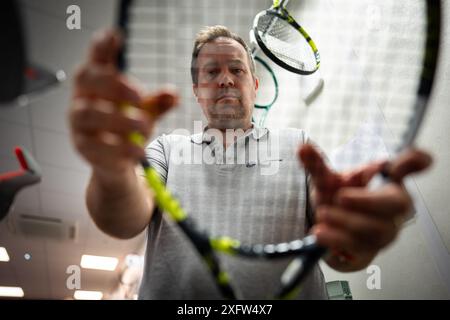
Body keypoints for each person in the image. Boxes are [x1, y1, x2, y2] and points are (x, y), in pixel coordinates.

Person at [69, 25, 432, 299]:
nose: (226, 79)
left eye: (237, 70)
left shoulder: (299, 145)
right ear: (197, 91)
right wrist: (112, 171)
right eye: (211, 72)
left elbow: (341, 253)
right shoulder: (167, 149)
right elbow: (122, 218)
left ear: (254, 85)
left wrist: (353, 232)